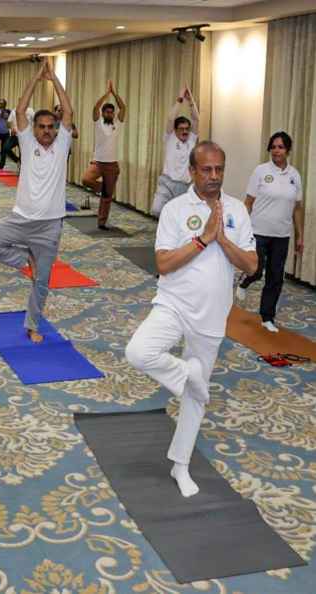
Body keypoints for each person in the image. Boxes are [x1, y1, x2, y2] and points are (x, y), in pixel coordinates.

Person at [125, 141, 256, 498]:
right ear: (192, 172)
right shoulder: (174, 209)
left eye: (219, 170)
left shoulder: (237, 212)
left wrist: (222, 240)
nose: (214, 177)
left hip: (213, 316)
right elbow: (163, 264)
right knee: (138, 352)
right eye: (207, 170)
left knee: (194, 401)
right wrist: (202, 240)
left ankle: (180, 465)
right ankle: (189, 377)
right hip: (174, 305)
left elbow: (251, 264)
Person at [0, 60, 74, 343]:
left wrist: (53, 79)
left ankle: (32, 325)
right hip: (20, 219)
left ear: (55, 129)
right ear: (34, 128)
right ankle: (23, 259)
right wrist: (36, 77)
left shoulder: (62, 143)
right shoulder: (28, 142)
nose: (45, 131)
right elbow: (19, 110)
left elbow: (68, 110)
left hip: (50, 226)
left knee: (42, 281)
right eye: (41, 126)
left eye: (49, 127)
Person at [235, 131, 304, 332]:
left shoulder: (294, 175)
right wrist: (241, 227)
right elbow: (248, 202)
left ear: (288, 150)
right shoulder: (260, 171)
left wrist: (300, 235)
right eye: (273, 147)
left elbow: (297, 208)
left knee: (275, 276)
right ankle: (244, 283)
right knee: (256, 269)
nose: (276, 151)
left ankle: (267, 316)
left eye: (280, 147)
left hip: (282, 234)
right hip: (258, 230)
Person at [81, 80, 126, 229]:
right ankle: (102, 187)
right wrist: (106, 94)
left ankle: (102, 222)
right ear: (103, 113)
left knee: (107, 198)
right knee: (86, 179)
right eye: (107, 112)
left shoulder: (117, 123)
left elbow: (123, 107)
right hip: (98, 162)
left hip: (112, 164)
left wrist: (114, 93)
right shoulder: (98, 122)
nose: (109, 114)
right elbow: (95, 107)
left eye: (111, 112)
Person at [152, 87, 199, 217]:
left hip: (185, 186)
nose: (185, 131)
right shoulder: (170, 138)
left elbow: (196, 119)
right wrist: (180, 99)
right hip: (167, 183)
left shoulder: (191, 140)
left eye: (187, 129)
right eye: (181, 129)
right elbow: (170, 118)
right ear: (175, 130)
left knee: (181, 216)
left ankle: (172, 235)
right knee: (157, 210)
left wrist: (190, 101)